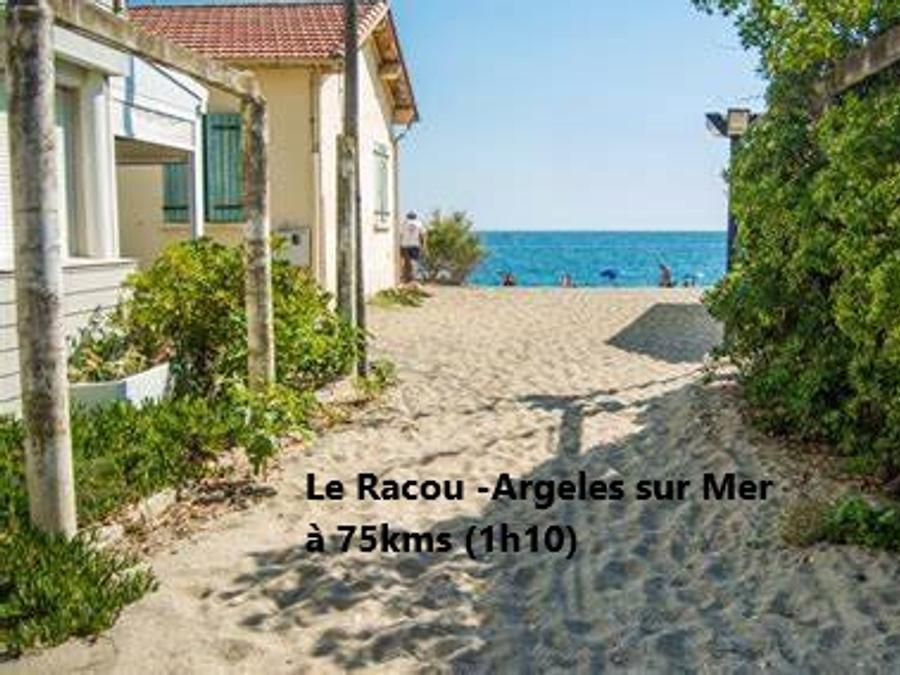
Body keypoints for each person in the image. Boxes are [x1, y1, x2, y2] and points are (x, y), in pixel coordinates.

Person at [399, 211, 425, 283]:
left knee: (405, 262)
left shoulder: (404, 223)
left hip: (404, 245)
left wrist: (399, 244)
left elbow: (400, 234)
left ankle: (405, 277)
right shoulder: (419, 223)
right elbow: (422, 235)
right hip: (415, 245)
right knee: (414, 261)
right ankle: (413, 277)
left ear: (407, 216)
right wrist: (423, 245)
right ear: (415, 216)